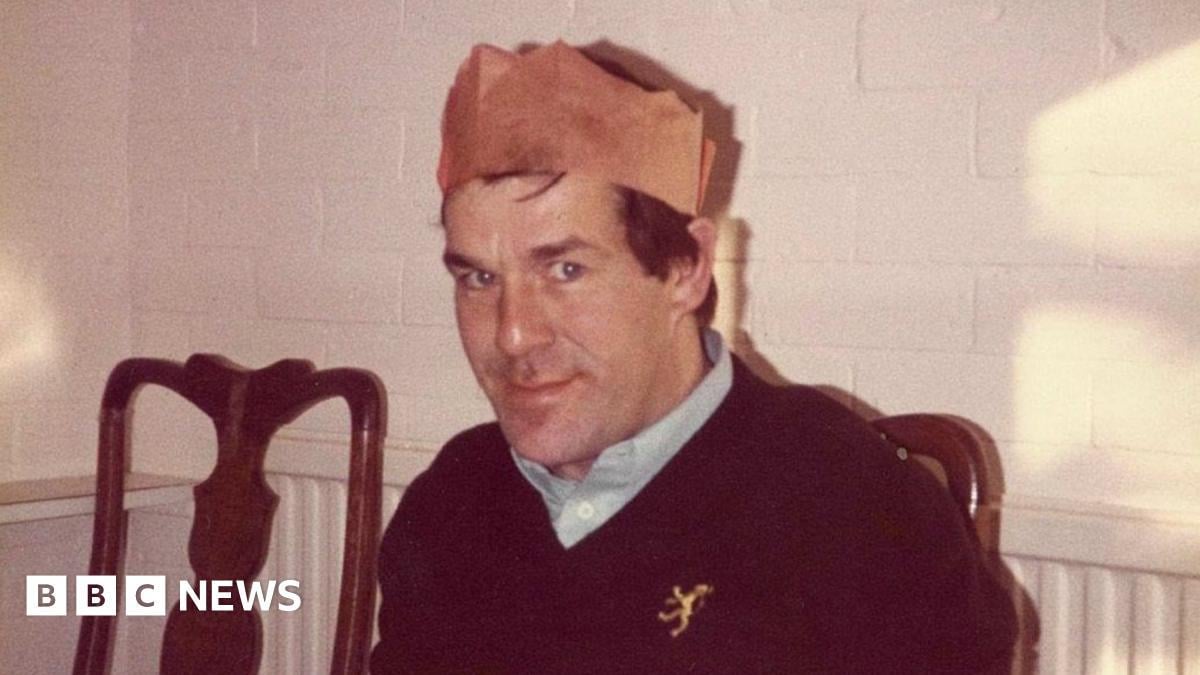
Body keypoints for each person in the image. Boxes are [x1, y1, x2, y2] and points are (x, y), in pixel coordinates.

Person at [371, 41, 1016, 674]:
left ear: (686, 269)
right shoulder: (452, 501)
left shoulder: (856, 508)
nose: (514, 334)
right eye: (479, 278)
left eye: (566, 269)